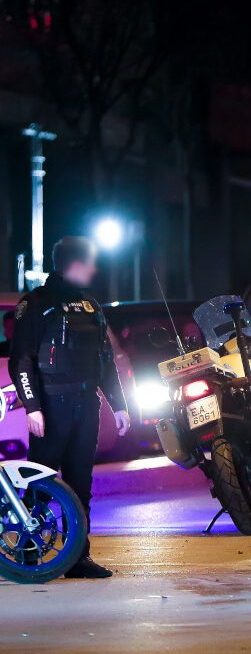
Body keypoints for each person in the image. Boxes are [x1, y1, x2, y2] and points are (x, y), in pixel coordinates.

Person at [7, 236, 130, 578]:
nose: (93, 270)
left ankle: (78, 558)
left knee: (81, 485)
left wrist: (118, 405)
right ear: (74, 264)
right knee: (40, 484)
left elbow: (105, 361)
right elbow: (22, 359)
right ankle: (27, 555)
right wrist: (32, 407)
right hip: (51, 407)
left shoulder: (91, 307)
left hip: (86, 405)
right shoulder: (35, 304)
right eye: (89, 263)